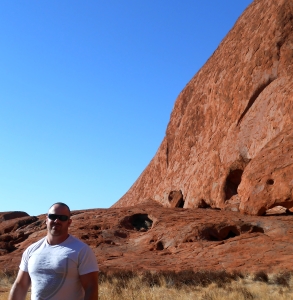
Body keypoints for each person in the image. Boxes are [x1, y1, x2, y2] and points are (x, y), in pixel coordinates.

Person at [9, 202, 99, 300]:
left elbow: (91, 288)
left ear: (69, 222)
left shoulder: (81, 250)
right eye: (53, 216)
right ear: (46, 219)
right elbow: (20, 285)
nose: (57, 220)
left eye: (62, 218)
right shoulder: (31, 250)